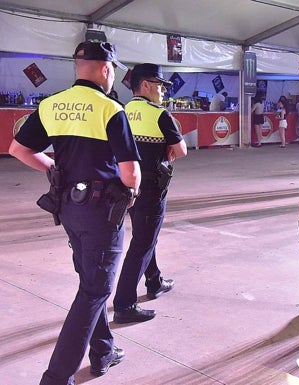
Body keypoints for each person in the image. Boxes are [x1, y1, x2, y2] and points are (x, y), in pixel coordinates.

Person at [9, 41, 140, 384]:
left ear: (78, 67)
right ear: (106, 68)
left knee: (89, 280)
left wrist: (54, 167)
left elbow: (18, 149)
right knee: (95, 290)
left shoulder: (51, 104)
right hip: (102, 213)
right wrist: (134, 193)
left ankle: (103, 351)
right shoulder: (110, 108)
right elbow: (130, 172)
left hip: (68, 207)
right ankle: (56, 377)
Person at [112, 63, 187, 324]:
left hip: (126, 187)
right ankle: (124, 303)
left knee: (144, 235)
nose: (163, 91)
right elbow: (181, 150)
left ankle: (154, 281)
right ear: (145, 85)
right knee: (142, 243)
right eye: (160, 85)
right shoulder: (159, 114)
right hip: (152, 189)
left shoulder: (120, 110)